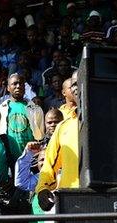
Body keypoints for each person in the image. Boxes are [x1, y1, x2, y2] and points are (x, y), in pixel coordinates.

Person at [36, 70, 79, 212]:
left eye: (81, 82)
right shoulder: (63, 127)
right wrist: (42, 188)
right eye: (74, 84)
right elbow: (49, 164)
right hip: (72, 202)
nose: (77, 87)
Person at [0, 73, 44, 163]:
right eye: (14, 84)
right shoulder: (0, 109)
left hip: (31, 157)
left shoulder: (36, 109)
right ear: (8, 88)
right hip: (9, 158)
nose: (18, 86)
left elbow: (40, 136)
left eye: (21, 83)